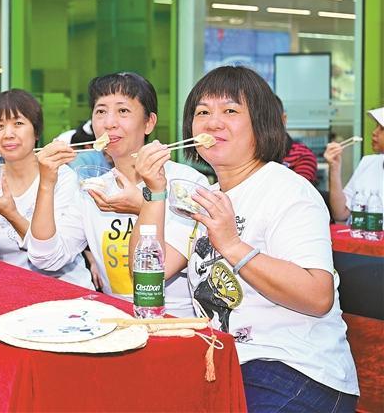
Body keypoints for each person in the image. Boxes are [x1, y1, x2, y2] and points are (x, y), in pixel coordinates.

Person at [131, 65, 358, 411]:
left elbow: (317, 296)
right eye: (202, 112)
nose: (212, 123)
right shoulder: (203, 196)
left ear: (261, 124)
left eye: (230, 111)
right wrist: (154, 192)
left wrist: (233, 245)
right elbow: (149, 275)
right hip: (226, 364)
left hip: (296, 368)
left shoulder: (288, 190)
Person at [27, 73, 208, 317]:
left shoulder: (186, 183)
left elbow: (154, 274)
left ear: (149, 123)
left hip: (174, 320)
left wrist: (145, 204)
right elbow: (46, 257)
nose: (109, 123)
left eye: (123, 111)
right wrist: (47, 183)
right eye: (101, 111)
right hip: (114, 319)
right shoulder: (93, 188)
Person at [0, 90, 92, 288]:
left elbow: (54, 259)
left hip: (67, 291)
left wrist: (11, 214)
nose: (8, 134)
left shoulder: (61, 178)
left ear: (36, 132)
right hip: (13, 291)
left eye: (18, 123)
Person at [324, 106, 384, 222]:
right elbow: (340, 213)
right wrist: (334, 167)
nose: (374, 132)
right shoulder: (368, 162)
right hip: (358, 233)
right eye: (376, 126)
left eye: (382, 128)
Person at [275, 94, 317, 184]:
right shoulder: (248, 153)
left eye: (270, 119)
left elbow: (299, 189)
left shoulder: (302, 155)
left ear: (283, 119)